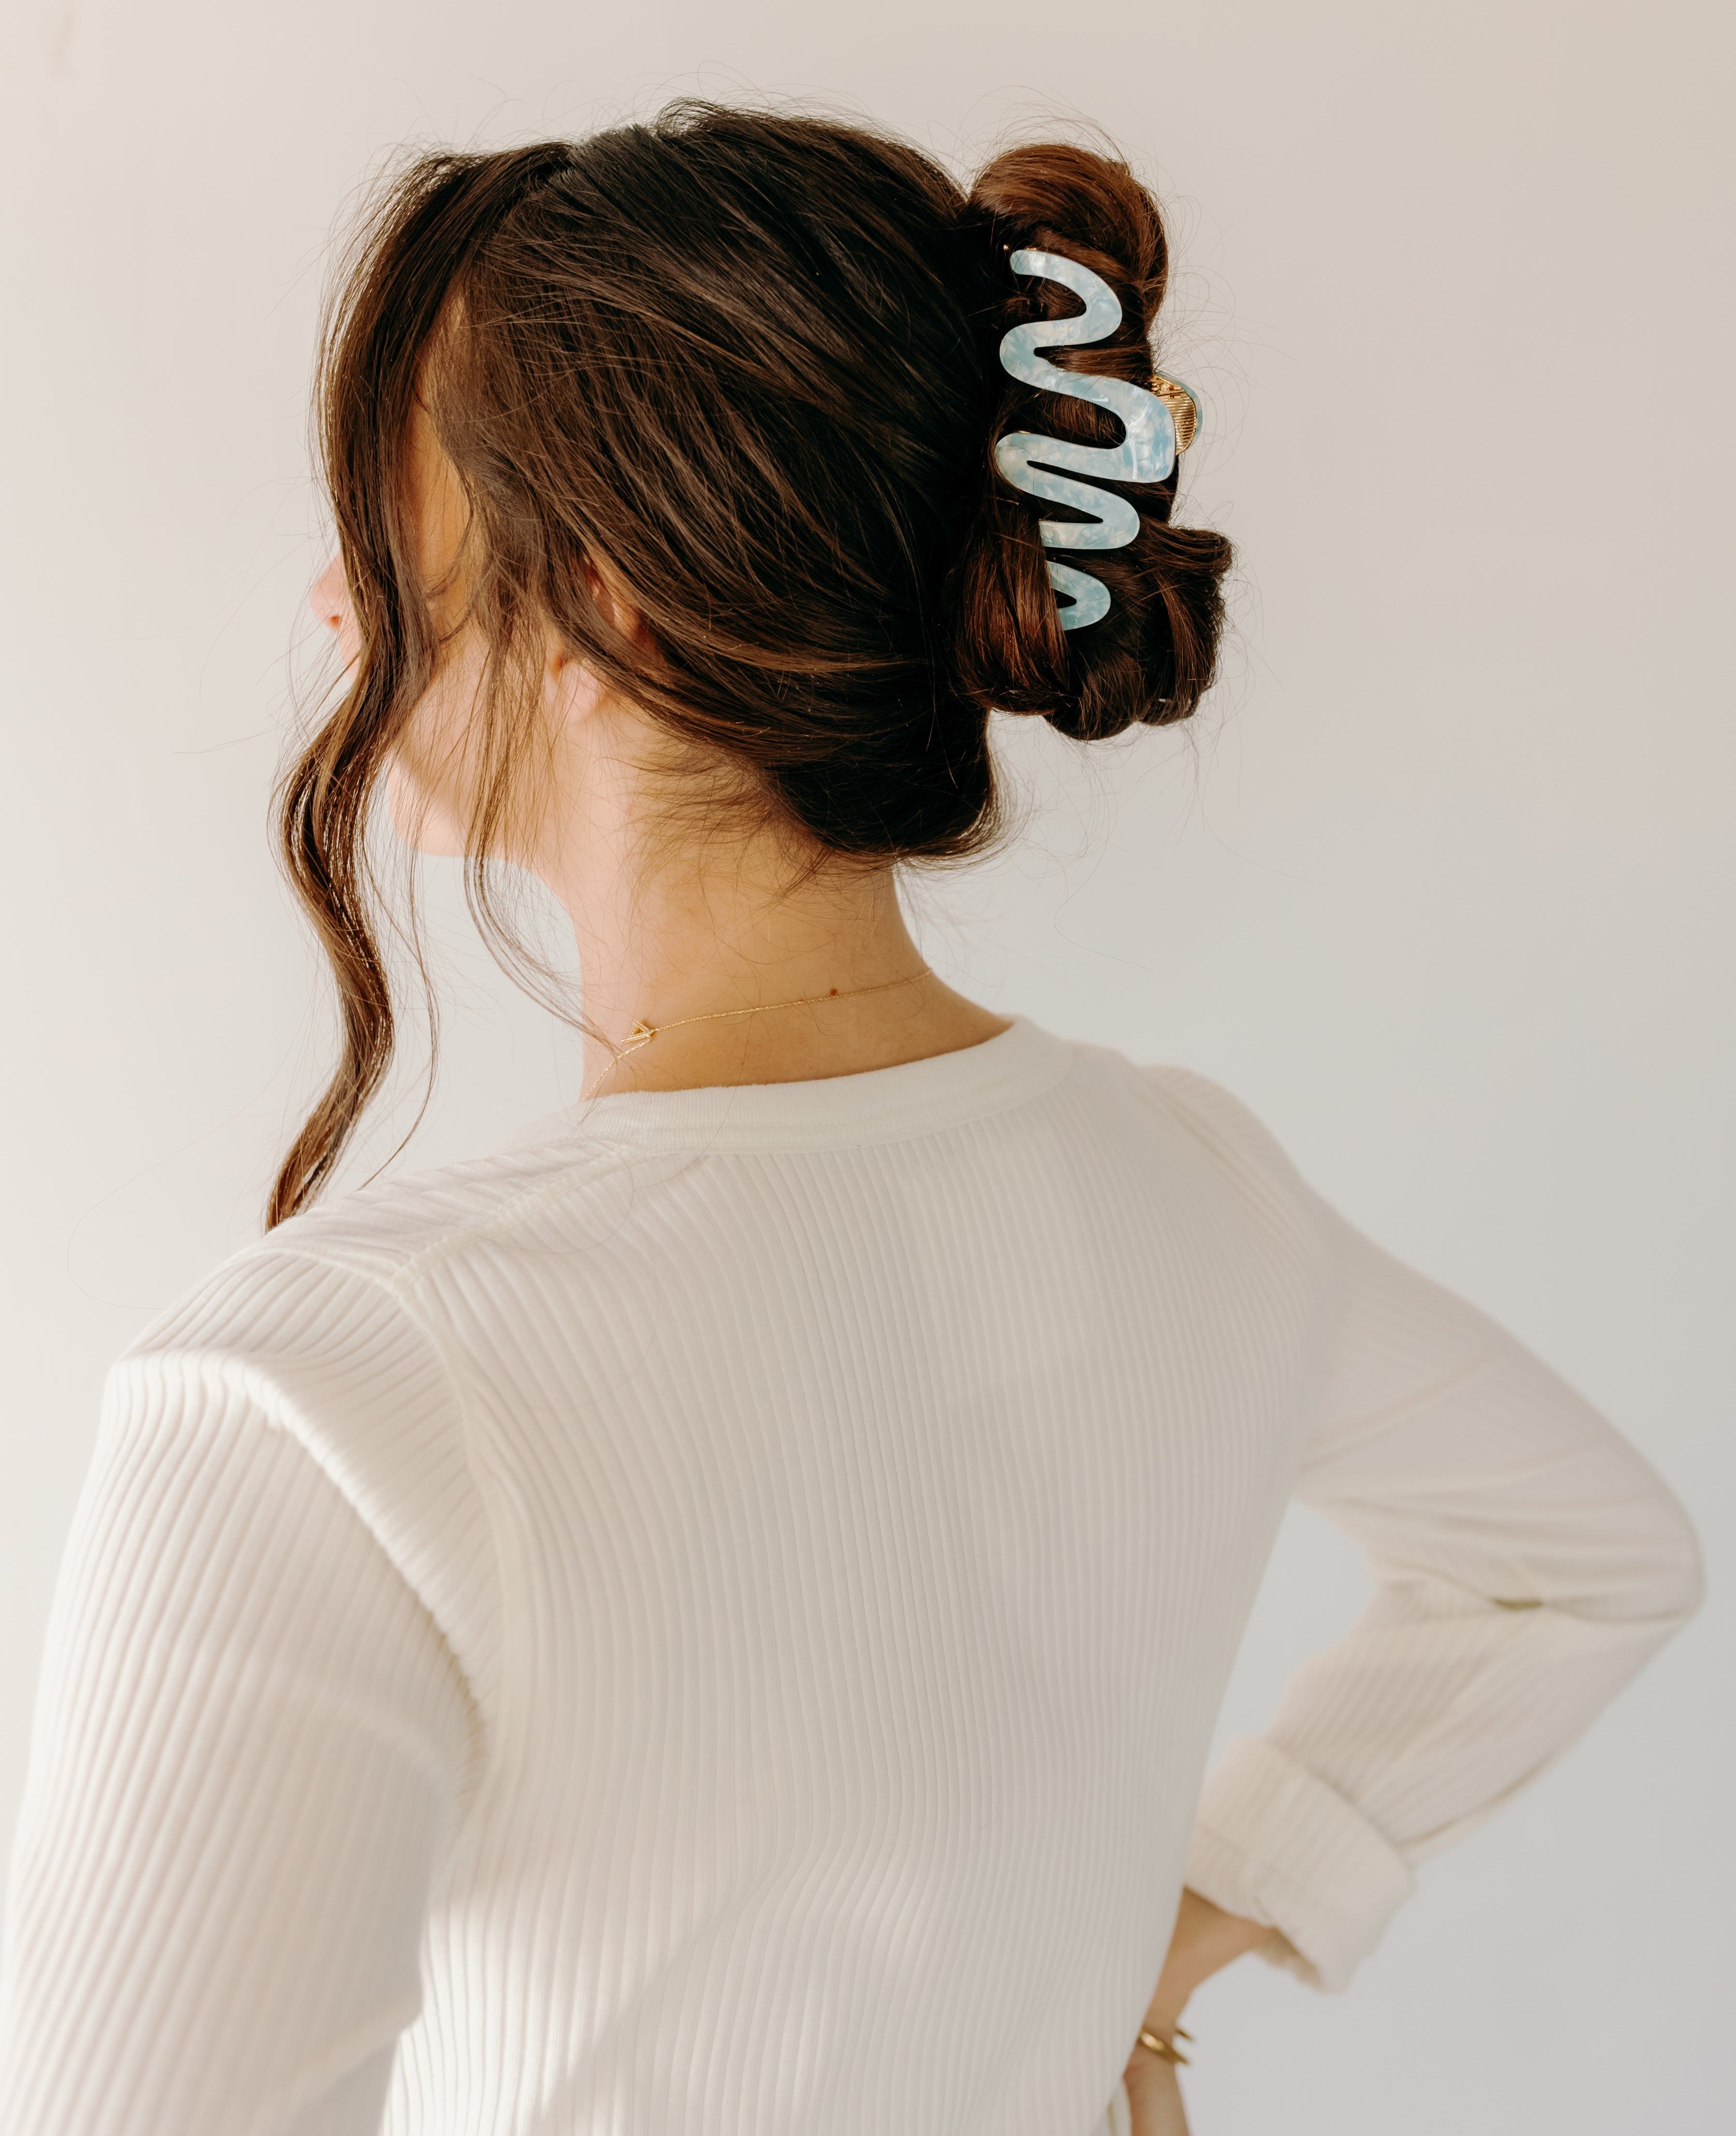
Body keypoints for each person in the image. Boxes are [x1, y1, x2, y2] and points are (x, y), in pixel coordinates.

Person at [0, 104, 1701, 2136]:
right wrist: (1183, 1942)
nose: (329, 601)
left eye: (390, 527)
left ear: (612, 618)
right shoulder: (1186, 1188)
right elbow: (1581, 1561)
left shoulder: (313, 1396)